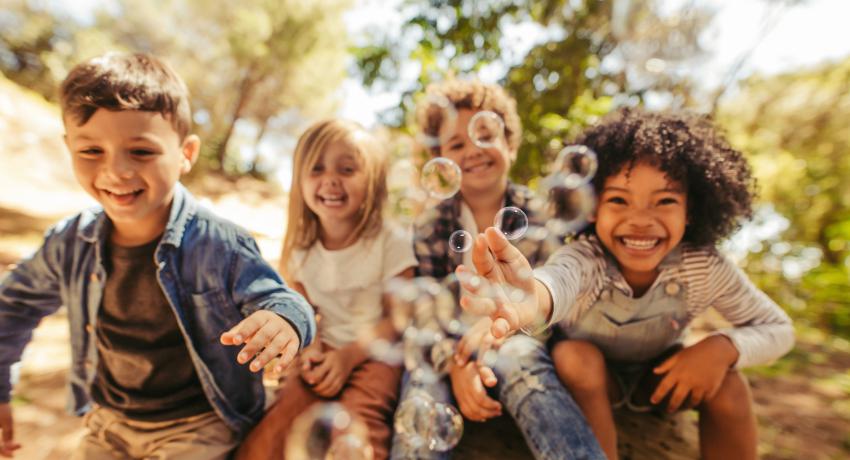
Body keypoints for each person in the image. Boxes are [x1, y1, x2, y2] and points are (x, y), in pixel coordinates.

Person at [0, 52, 316, 460]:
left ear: (186, 153)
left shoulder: (219, 243)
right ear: (68, 147)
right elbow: (12, 307)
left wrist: (284, 321)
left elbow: (285, 300)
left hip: (198, 426)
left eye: (141, 152)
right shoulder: (70, 242)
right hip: (110, 422)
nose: (116, 171)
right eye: (91, 151)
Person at [458, 108, 795, 460]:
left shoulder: (704, 266)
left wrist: (723, 347)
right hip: (592, 379)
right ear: (590, 207)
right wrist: (531, 297)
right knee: (574, 355)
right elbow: (555, 281)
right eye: (619, 200)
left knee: (729, 381)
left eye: (665, 201)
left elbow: (779, 328)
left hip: (660, 377)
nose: (640, 220)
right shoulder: (586, 259)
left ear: (691, 209)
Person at [390, 79, 605, 460]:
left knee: (523, 363)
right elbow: (423, 310)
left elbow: (548, 303)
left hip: (516, 340)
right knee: (422, 388)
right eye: (456, 145)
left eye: (486, 135)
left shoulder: (538, 215)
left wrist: (493, 340)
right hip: (446, 346)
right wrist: (455, 363)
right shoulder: (431, 226)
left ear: (510, 143)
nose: (474, 149)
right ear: (442, 161)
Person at [236, 119, 417, 460]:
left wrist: (349, 357)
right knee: (282, 419)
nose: (330, 180)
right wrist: (313, 348)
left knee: (359, 425)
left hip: (376, 354)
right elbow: (303, 311)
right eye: (316, 169)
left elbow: (399, 317)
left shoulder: (389, 241)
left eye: (347, 169)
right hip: (324, 352)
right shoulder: (302, 251)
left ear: (374, 183)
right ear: (299, 182)